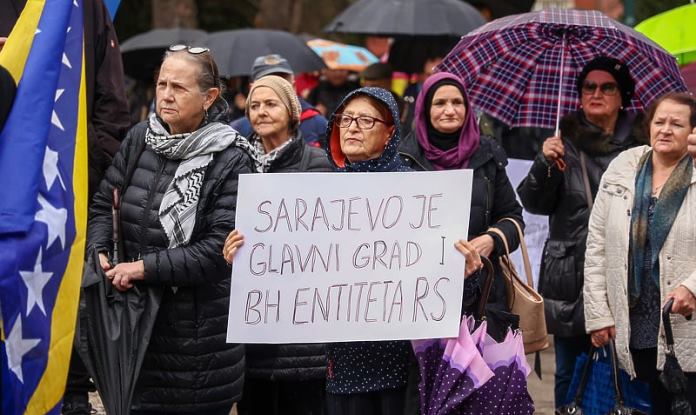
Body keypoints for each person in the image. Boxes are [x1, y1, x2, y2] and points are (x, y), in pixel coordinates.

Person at [86, 45, 255, 413]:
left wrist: (142, 267)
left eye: (178, 87)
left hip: (195, 349)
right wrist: (99, 252)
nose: (165, 95)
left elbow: (216, 252)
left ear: (209, 97)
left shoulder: (232, 157)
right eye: (162, 84)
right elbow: (103, 203)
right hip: (132, 330)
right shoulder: (140, 138)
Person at [323, 87, 483, 415]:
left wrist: (464, 271)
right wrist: (244, 255)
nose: (352, 127)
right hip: (342, 364)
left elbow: (456, 288)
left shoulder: (420, 192)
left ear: (390, 132)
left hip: (405, 366)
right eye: (345, 119)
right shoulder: (318, 196)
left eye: (365, 120)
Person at [517, 56, 648, 408]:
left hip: (623, 270)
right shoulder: (563, 143)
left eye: (607, 87)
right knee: (569, 370)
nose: (596, 93)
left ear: (623, 96)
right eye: (589, 87)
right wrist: (545, 163)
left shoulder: (643, 147)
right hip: (571, 275)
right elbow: (533, 202)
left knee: (625, 366)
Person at [222, 75, 331, 415]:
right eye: (254, 105)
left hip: (306, 332)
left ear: (292, 111)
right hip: (252, 327)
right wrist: (225, 251)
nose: (261, 112)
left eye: (271, 104)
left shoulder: (320, 167)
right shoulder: (234, 166)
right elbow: (220, 227)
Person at [584, 92, 696, 412]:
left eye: (677, 124)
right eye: (659, 121)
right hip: (632, 322)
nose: (665, 129)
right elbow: (597, 246)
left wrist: (692, 287)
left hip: (682, 321)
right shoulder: (624, 166)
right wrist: (598, 314)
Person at [230, 54, 328, 147]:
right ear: (252, 88)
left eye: (282, 82)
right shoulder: (238, 130)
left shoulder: (319, 124)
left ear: (293, 87)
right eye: (268, 82)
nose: (276, 87)